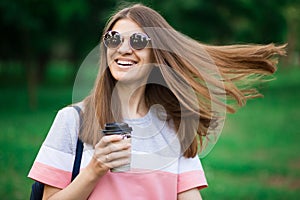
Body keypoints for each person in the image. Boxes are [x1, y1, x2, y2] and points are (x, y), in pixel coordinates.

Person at [28, 3, 286, 200]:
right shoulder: (73, 120)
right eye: (114, 39)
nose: (123, 49)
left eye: (138, 41)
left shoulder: (174, 128)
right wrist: (95, 169)